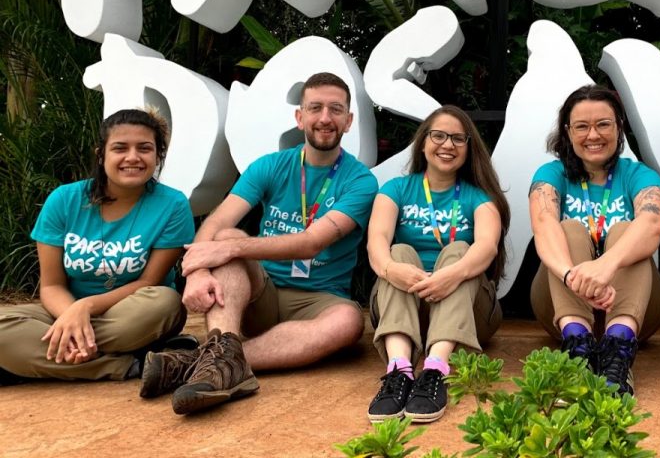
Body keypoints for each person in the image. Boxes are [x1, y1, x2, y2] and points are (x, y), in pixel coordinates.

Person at [141, 72, 378, 415]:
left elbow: (312, 243)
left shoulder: (360, 181)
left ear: (349, 120)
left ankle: (208, 362)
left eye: (336, 109)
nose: (325, 118)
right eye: (315, 108)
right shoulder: (270, 166)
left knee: (348, 322)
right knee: (226, 236)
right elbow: (218, 221)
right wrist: (198, 270)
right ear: (300, 117)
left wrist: (233, 248)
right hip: (258, 292)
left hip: (319, 298)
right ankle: (222, 358)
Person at [0, 108, 194, 383]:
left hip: (134, 311)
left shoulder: (173, 205)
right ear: (101, 154)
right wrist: (71, 313)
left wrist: (85, 309)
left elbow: (149, 281)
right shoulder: (64, 200)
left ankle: (33, 357)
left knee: (165, 302)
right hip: (65, 307)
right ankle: (129, 366)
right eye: (120, 148)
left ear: (158, 156)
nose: (133, 157)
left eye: (144, 148)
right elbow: (52, 286)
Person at [365, 105, 509, 423]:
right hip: (405, 306)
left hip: (467, 311)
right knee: (397, 252)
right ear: (423, 142)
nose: (448, 144)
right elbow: (376, 241)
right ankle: (400, 370)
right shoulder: (396, 190)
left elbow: (486, 248)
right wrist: (392, 269)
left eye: (458, 138)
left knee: (462, 251)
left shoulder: (480, 197)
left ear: (469, 148)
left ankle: (435, 370)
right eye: (439, 135)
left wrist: (451, 275)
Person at [528, 85, 660, 396]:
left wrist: (606, 266)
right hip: (562, 303)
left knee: (626, 230)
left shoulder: (638, 175)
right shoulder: (552, 174)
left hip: (635, 308)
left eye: (603, 124)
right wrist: (573, 276)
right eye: (582, 126)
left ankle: (619, 350)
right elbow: (543, 224)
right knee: (568, 228)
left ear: (619, 128)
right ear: (568, 132)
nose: (593, 135)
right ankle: (577, 348)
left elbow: (652, 225)